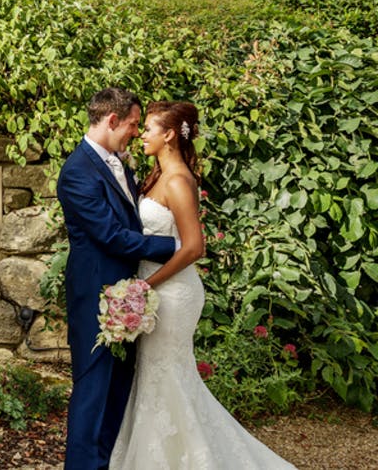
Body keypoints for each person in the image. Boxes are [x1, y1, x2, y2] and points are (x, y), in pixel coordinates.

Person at [110, 101, 297, 469]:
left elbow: (195, 246)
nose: (142, 134)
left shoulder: (179, 180)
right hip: (155, 289)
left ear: (168, 135)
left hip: (172, 293)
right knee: (158, 379)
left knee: (167, 379)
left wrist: (146, 286)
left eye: (148, 128)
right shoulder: (157, 175)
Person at [57, 88, 177, 470]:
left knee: (117, 392)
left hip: (127, 297)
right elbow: (110, 236)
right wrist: (176, 245)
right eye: (130, 124)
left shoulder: (118, 163)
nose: (134, 133)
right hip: (95, 298)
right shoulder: (77, 172)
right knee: (92, 394)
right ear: (112, 121)